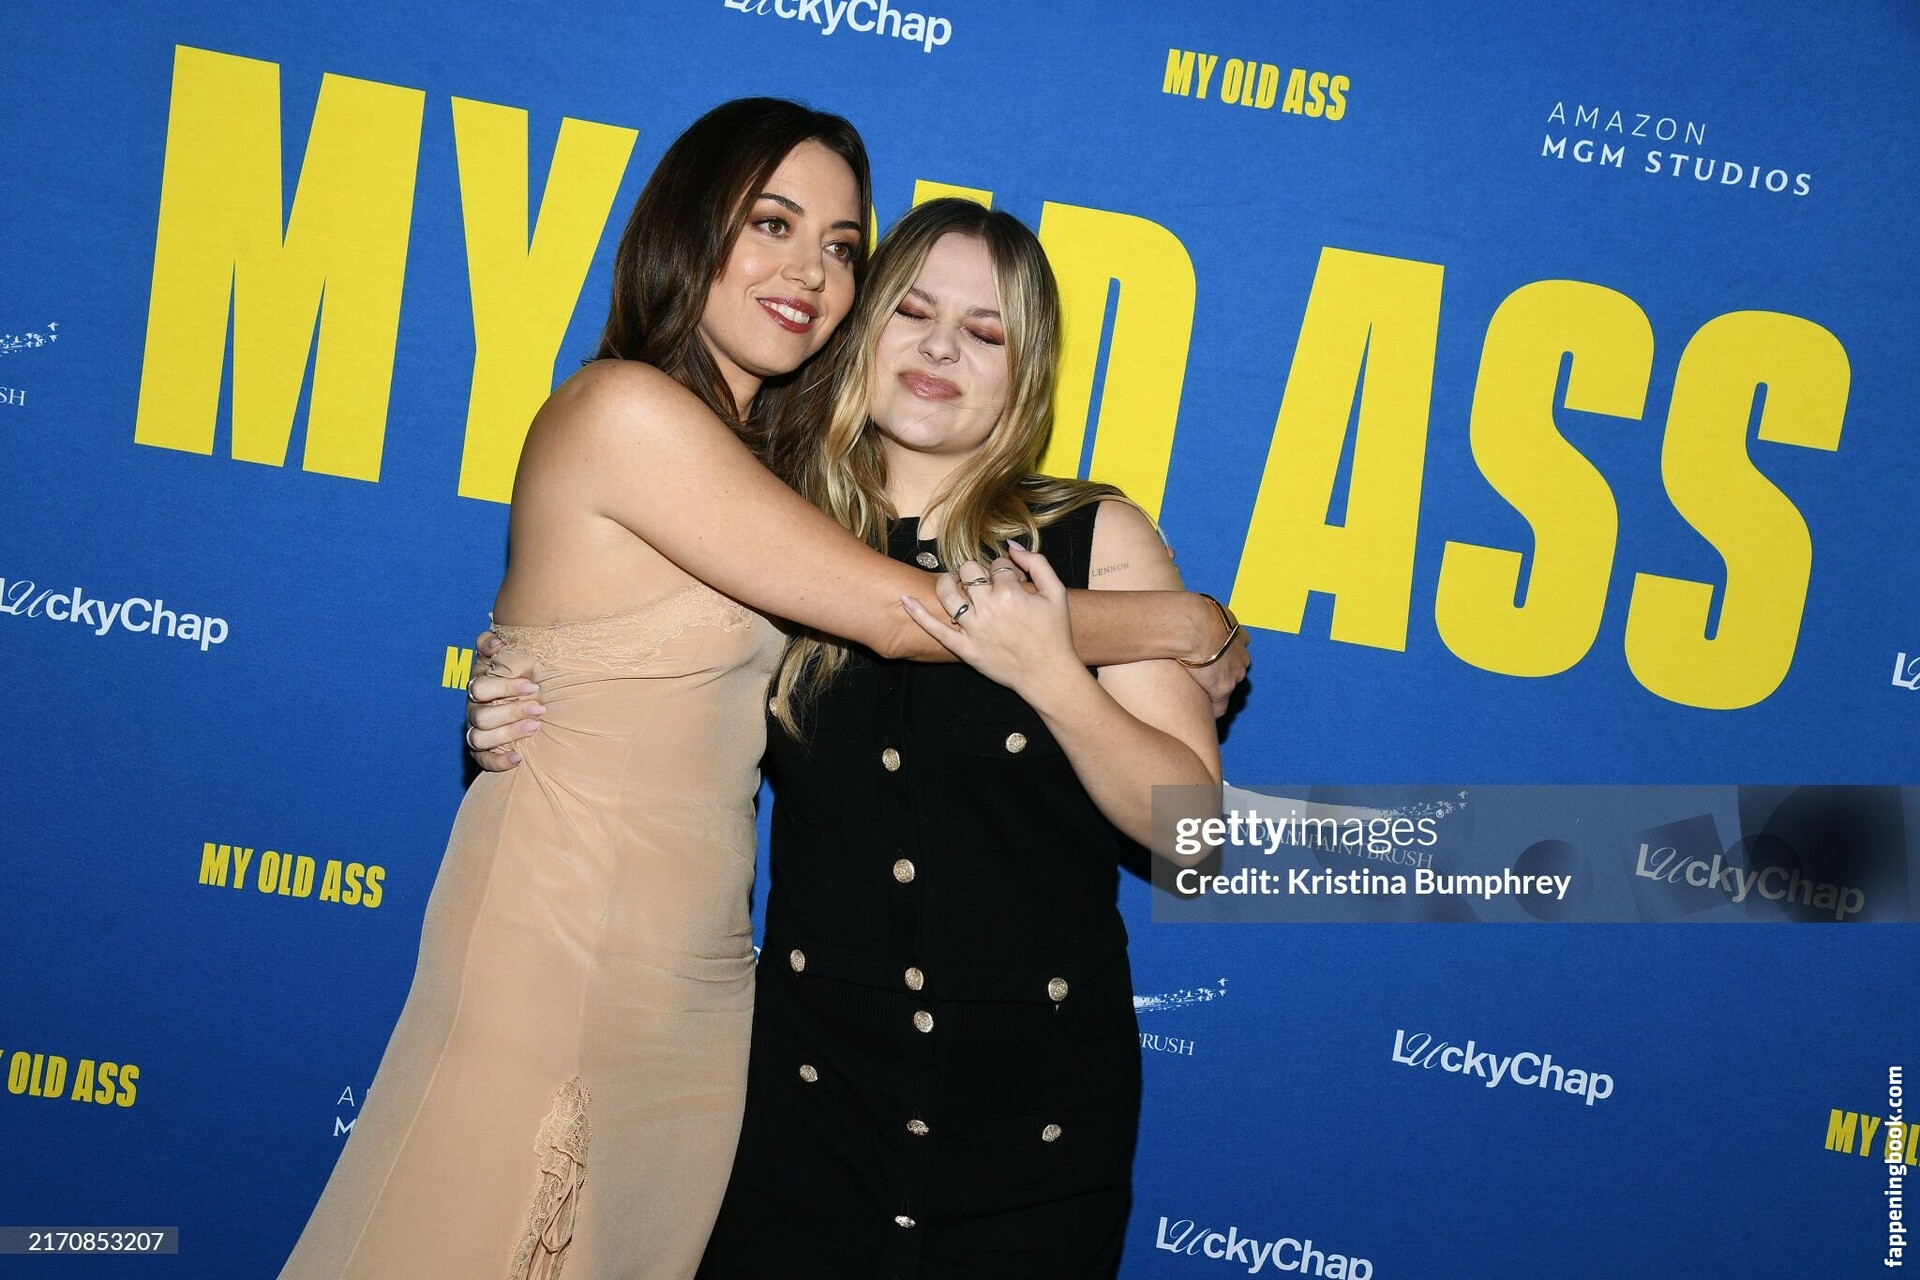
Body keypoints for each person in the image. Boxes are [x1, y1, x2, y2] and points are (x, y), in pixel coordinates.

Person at [285, 100, 1243, 1280]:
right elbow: (882, 615)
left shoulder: (1055, 532)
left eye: (842, 248)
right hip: (723, 1050)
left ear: (1028, 371)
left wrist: (1073, 663)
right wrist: (1188, 622)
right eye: (909, 306)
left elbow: (1199, 836)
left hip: (927, 1081)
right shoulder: (708, 456)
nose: (937, 346)